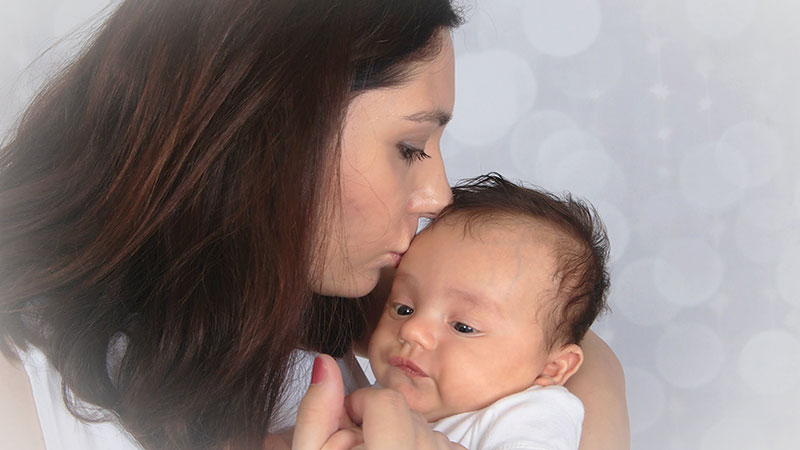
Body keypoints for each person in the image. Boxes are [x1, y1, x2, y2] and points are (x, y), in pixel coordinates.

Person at [0, 1, 629, 449]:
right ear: (260, 136)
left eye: (461, 323)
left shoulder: (352, 307)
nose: (438, 194)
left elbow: (567, 344)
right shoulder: (24, 394)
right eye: (410, 147)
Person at [366, 174, 609, 450]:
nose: (412, 331)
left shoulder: (531, 416)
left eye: (463, 327)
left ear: (552, 367)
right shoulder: (379, 393)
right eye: (403, 308)